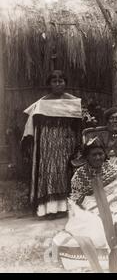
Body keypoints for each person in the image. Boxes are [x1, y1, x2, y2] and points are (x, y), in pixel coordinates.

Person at [52, 138, 117, 270]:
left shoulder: (115, 170)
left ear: (105, 154)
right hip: (92, 213)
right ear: (86, 157)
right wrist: (98, 213)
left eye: (100, 154)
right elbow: (77, 203)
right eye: (94, 155)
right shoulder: (79, 177)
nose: (98, 157)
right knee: (94, 230)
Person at [22, 70, 82, 218]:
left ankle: (66, 208)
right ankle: (49, 209)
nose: (57, 84)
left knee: (65, 173)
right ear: (49, 84)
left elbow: (79, 124)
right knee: (48, 173)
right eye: (54, 81)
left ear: (65, 83)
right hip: (47, 144)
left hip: (67, 143)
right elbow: (32, 123)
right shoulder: (42, 103)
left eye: (60, 81)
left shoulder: (73, 102)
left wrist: (78, 143)